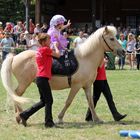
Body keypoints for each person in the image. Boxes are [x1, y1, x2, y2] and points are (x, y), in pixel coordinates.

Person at [19, 33, 60, 128]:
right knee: (49, 100)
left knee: (43, 101)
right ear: (44, 42)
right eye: (49, 40)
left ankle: (24, 115)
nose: (50, 42)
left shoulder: (40, 50)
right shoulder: (46, 49)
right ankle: (48, 123)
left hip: (40, 78)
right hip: (43, 78)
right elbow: (58, 55)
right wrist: (55, 46)